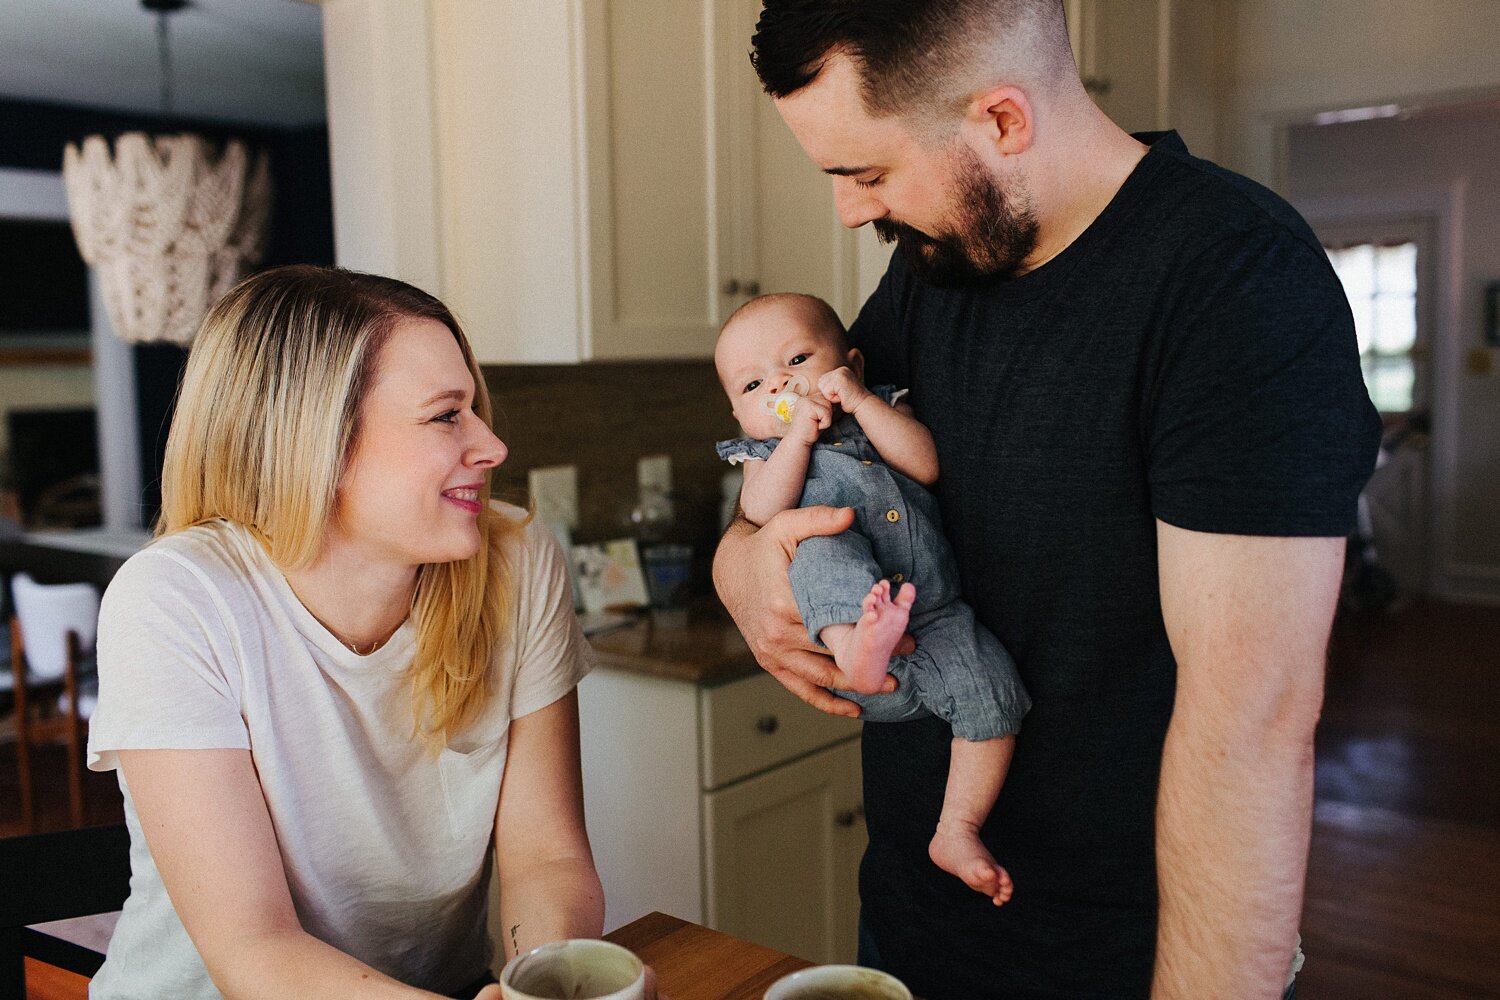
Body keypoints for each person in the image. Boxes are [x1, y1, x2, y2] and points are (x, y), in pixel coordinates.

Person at [714, 3, 1383, 999]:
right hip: (907, 918)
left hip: (1123, 954)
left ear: (1001, 121)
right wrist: (740, 566)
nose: (853, 212)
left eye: (868, 172)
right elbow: (798, 472)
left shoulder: (1234, 280)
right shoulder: (931, 269)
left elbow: (1253, 726)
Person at [85, 265, 639, 999]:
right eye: (447, 415)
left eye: (473, 408)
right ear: (316, 440)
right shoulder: (176, 601)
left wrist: (550, 983)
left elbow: (547, 858)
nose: (491, 446)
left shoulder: (517, 561)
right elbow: (254, 950)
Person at [713, 292, 1030, 905]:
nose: (780, 382)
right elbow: (760, 512)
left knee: (994, 690)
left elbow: (925, 463)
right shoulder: (764, 454)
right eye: (753, 385)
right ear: (737, 414)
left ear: (851, 366)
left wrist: (860, 402)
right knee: (822, 546)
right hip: (850, 651)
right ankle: (856, 642)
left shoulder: (880, 408)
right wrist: (797, 440)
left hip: (935, 619)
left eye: (799, 358)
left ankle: (957, 829)